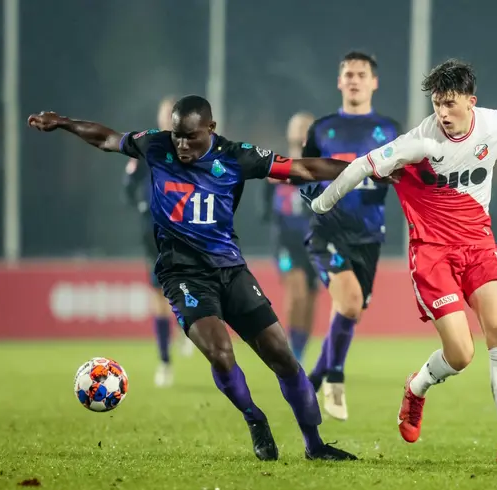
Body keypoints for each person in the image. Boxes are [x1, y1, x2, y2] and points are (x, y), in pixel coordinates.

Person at [27, 95, 358, 461]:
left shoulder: (235, 155)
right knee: (220, 353)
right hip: (181, 272)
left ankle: (315, 444)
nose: (182, 145)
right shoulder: (156, 145)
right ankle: (254, 417)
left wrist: (364, 167)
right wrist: (64, 122)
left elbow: (303, 169)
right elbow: (107, 139)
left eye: (191, 137)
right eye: (177, 136)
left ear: (211, 129)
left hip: (230, 269)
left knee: (282, 356)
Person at [310, 59, 497, 464]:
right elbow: (359, 166)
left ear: (471, 102)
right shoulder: (420, 142)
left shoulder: (493, 124)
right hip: (432, 252)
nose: (442, 113)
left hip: (478, 244)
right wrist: (321, 203)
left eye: (451, 104)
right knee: (460, 354)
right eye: (437, 104)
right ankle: (417, 388)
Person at [300, 51, 400, 421]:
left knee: (350, 310)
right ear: (339, 82)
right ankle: (334, 380)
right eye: (348, 74)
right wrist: (314, 201)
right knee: (351, 301)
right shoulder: (322, 129)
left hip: (369, 235)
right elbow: (304, 175)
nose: (354, 80)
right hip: (327, 231)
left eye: (361, 74)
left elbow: (405, 178)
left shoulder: (390, 130)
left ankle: (310, 380)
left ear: (374, 82)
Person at [123, 96, 194, 388]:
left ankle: (188, 328)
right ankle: (165, 361)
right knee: (158, 295)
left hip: (186, 231)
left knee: (184, 287)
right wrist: (140, 202)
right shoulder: (147, 148)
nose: (169, 118)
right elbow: (128, 186)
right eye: (165, 114)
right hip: (152, 231)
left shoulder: (192, 148)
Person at [263, 112, 318, 362]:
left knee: (309, 298)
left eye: (306, 128)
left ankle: (300, 350)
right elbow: (263, 207)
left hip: (315, 243)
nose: (301, 133)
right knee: (296, 293)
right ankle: (290, 354)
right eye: (297, 128)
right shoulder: (277, 166)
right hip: (286, 241)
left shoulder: (321, 170)